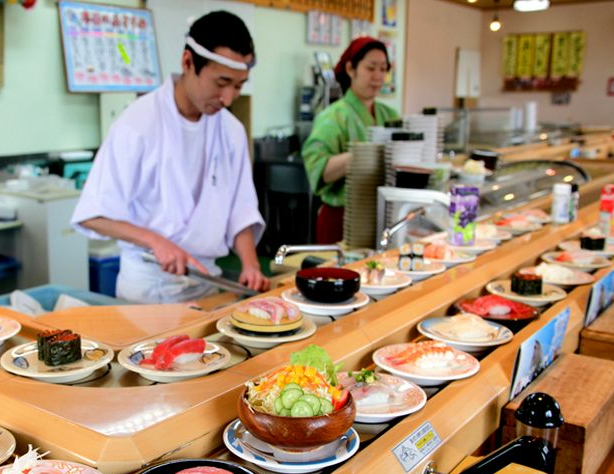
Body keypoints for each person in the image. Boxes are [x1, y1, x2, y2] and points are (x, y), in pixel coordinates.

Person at [71, 11, 269, 303]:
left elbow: (241, 209)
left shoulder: (231, 131)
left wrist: (251, 265)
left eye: (238, 86)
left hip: (207, 285)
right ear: (188, 62)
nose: (228, 98)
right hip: (148, 290)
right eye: (221, 82)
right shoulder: (137, 123)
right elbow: (93, 214)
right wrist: (155, 241)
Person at [301, 37, 399, 244]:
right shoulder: (333, 117)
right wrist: (362, 156)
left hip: (383, 217)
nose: (378, 76)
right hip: (341, 219)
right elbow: (319, 169)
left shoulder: (390, 116)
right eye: (371, 68)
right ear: (350, 69)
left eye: (383, 69)